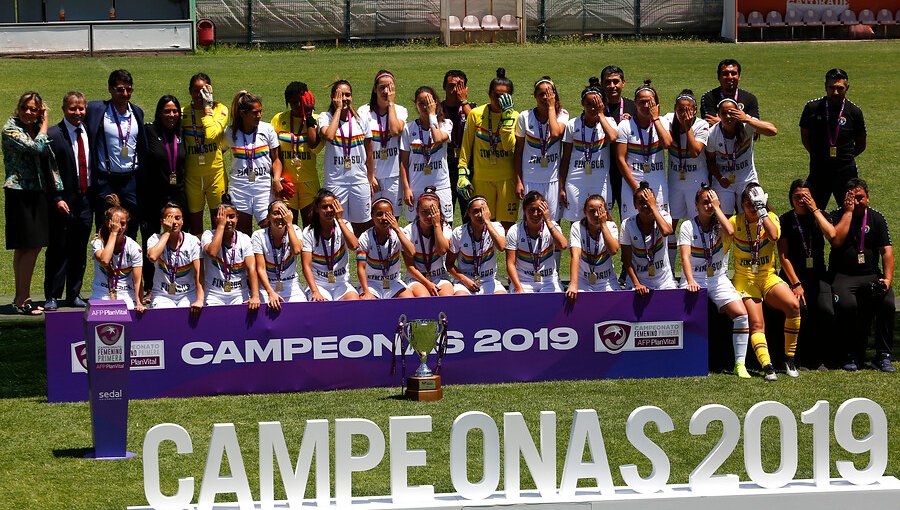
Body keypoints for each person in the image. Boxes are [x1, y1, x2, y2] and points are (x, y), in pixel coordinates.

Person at [730, 183, 801, 381]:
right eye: (748, 204)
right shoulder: (735, 221)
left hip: (767, 276)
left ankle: (789, 359)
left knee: (793, 306)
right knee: (757, 323)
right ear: (742, 204)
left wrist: (762, 211)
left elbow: (774, 235)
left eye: (756, 204)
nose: (752, 208)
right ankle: (767, 365)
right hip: (745, 279)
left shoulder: (770, 218)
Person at [679, 185, 751, 379]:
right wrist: (690, 280)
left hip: (718, 279)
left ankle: (739, 364)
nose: (709, 206)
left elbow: (730, 232)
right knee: (686, 319)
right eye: (705, 202)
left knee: (742, 315)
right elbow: (685, 257)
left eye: (712, 202)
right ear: (696, 205)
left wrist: (718, 209)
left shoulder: (720, 223)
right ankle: (688, 361)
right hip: (695, 279)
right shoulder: (687, 226)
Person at [3, 91, 64, 315]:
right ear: (18, 108)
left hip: (36, 192)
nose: (29, 112)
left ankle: (21, 297)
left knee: (26, 247)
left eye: (34, 109)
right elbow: (37, 148)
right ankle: (23, 299)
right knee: (30, 246)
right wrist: (46, 122)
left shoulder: (32, 129)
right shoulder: (10, 129)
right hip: (21, 192)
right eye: (25, 108)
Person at [827, 179, 894, 372]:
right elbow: (836, 241)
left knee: (888, 302)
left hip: (871, 275)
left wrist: (887, 280)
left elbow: (887, 252)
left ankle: (883, 355)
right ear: (845, 199)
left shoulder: (877, 218)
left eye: (860, 197)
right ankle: (851, 353)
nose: (856, 201)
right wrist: (847, 213)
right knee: (847, 305)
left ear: (868, 198)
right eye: (851, 198)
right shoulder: (836, 216)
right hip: (843, 276)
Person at [777, 179, 836, 370]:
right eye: (797, 196)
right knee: (801, 310)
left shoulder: (821, 216)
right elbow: (783, 256)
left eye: (806, 196)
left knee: (825, 310)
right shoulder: (785, 220)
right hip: (793, 276)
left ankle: (820, 358)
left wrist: (815, 210)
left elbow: (832, 236)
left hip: (818, 275)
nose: (801, 200)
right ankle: (799, 357)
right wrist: (795, 283)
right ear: (791, 198)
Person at [84, 69, 147, 238]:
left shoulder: (137, 112)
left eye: (128, 89)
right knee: (105, 226)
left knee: (131, 227)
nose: (125, 93)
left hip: (131, 180)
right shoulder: (97, 110)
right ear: (110, 89)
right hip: (106, 180)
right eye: (120, 89)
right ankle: (104, 263)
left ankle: (126, 264)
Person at [44, 91, 91, 310]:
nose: (77, 112)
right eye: (73, 108)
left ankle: (74, 294)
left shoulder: (89, 130)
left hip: (85, 201)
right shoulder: (54, 134)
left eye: (81, 108)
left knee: (79, 249)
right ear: (64, 109)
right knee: (58, 249)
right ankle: (52, 295)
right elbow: (47, 171)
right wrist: (56, 198)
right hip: (63, 201)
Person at [456, 68, 519, 230]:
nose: (498, 99)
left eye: (504, 96)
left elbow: (509, 146)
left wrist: (506, 119)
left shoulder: (516, 117)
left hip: (507, 181)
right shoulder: (476, 114)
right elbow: (466, 147)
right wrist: (462, 173)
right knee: (482, 226)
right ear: (489, 93)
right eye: (495, 95)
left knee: (507, 229)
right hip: (482, 180)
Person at [800, 68, 867, 210]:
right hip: (819, 169)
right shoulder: (812, 108)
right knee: (813, 210)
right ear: (825, 87)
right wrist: (818, 154)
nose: (835, 92)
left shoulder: (854, 111)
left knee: (849, 210)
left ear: (847, 88)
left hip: (845, 172)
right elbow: (805, 137)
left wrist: (844, 157)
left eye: (840, 88)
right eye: (831, 88)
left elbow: (861, 144)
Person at [141, 95, 187, 294]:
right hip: (153, 195)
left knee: (179, 237)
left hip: (178, 194)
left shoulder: (182, 133)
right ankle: (150, 285)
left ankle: (181, 281)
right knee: (151, 237)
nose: (171, 115)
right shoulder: (149, 131)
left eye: (175, 111)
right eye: (167, 111)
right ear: (159, 113)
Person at [319, 79, 374, 237]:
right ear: (333, 97)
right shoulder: (325, 117)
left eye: (348, 95)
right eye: (340, 95)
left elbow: (369, 152)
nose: (345, 98)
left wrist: (370, 179)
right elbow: (329, 135)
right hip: (336, 181)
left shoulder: (361, 119)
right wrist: (338, 110)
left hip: (359, 180)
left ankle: (362, 261)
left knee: (362, 227)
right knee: (336, 226)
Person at [559, 78, 618, 222]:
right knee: (577, 223)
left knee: (602, 221)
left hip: (600, 182)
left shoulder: (608, 122)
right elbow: (565, 158)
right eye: (589, 104)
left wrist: (601, 115)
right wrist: (561, 187)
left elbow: (612, 137)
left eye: (597, 105)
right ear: (582, 104)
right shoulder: (573, 124)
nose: (593, 108)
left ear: (603, 105)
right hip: (575, 181)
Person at [222, 90, 281, 235]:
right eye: (255, 113)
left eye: (260, 111)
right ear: (243, 114)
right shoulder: (229, 133)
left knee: (270, 230)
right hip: (239, 188)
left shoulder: (267, 129)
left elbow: (277, 159)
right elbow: (217, 154)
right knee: (242, 234)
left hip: (263, 188)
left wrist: (277, 178)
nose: (259, 116)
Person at [705, 98, 777, 215]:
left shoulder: (747, 125)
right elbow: (710, 160)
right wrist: (719, 178)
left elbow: (773, 130)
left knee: (752, 214)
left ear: (738, 112)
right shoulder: (713, 134)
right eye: (724, 113)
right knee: (723, 216)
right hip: (724, 181)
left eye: (732, 112)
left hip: (747, 180)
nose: (728, 116)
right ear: (718, 115)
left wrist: (747, 119)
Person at [665, 90, 710, 266]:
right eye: (680, 109)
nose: (684, 113)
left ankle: (695, 269)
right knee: (670, 226)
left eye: (689, 109)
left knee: (697, 225)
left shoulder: (701, 125)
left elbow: (694, 151)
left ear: (696, 110)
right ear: (674, 109)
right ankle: (668, 267)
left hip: (696, 183)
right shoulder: (668, 120)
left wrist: (687, 126)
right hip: (675, 183)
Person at [615, 81, 673, 218]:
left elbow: (667, 144)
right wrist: (635, 188)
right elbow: (620, 159)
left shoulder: (662, 122)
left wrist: (656, 119)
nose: (646, 106)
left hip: (657, 184)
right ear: (635, 103)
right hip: (633, 184)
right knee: (631, 223)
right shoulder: (625, 126)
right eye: (642, 102)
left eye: (650, 102)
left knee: (660, 222)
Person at [514, 76, 569, 220]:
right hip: (530, 179)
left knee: (552, 222)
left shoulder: (562, 115)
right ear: (534, 96)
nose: (545, 97)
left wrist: (551, 107)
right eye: (541, 94)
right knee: (529, 221)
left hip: (552, 180)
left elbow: (556, 132)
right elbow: (518, 152)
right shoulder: (524, 117)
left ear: (555, 95)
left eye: (549, 93)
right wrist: (519, 181)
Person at [182, 72, 228, 234]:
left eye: (204, 90)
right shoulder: (183, 114)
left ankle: (216, 259)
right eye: (196, 90)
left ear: (210, 90)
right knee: (195, 227)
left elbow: (211, 135)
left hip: (216, 176)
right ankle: (198, 260)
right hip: (192, 178)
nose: (200, 95)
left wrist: (208, 109)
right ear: (190, 91)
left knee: (219, 224)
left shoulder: (221, 109)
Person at [400, 86, 453, 222]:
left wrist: (432, 115)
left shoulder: (446, 124)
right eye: (421, 103)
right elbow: (404, 162)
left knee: (444, 226)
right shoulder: (408, 128)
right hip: (416, 187)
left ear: (435, 103)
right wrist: (406, 188)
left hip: (441, 186)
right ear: (416, 105)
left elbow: (437, 138)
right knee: (416, 229)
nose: (425, 107)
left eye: (429, 103)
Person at [357, 70, 407, 216]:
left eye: (390, 87)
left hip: (393, 176)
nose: (386, 91)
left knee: (392, 217)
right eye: (382, 87)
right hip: (372, 175)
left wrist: (391, 104)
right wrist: (370, 176)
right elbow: (364, 147)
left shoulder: (400, 110)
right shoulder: (364, 111)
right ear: (374, 89)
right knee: (372, 217)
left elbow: (396, 130)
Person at [270, 81, 320, 226]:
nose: (297, 106)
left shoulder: (316, 120)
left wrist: (308, 115)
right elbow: (274, 155)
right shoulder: (279, 119)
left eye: (300, 101)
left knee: (311, 227)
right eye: (293, 103)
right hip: (286, 182)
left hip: (309, 181)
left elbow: (313, 144)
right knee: (287, 227)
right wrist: (277, 179)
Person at [301, 189, 359, 301]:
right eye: (324, 207)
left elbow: (354, 246)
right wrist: (315, 291)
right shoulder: (309, 232)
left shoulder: (344, 224)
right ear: (317, 209)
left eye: (332, 206)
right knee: (320, 305)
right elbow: (306, 266)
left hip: (342, 283)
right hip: (319, 285)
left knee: (353, 302)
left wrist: (340, 220)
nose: (329, 210)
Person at [89, 194, 144, 311]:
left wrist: (139, 302)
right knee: (99, 312)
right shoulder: (97, 242)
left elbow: (138, 279)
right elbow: (105, 260)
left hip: (126, 293)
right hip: (102, 291)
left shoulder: (134, 247)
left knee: (126, 311)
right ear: (108, 223)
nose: (119, 227)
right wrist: (113, 233)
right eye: (116, 223)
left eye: (123, 224)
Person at [202, 199, 260, 309]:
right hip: (214, 294)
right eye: (223, 217)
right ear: (216, 219)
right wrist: (221, 226)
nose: (228, 220)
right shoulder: (208, 235)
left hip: (238, 294)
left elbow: (251, 268)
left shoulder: (244, 239)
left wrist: (255, 296)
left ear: (237, 217)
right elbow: (212, 252)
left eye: (231, 216)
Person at [620, 183, 677, 293]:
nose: (646, 206)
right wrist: (637, 284)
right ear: (635, 205)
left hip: (664, 281)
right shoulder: (627, 224)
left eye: (649, 202)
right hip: (637, 280)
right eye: (641, 203)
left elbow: (666, 231)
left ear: (655, 202)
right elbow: (626, 260)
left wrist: (653, 207)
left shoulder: (664, 216)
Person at [145, 202, 203, 311]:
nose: (174, 222)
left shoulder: (192, 241)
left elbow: (199, 272)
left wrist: (200, 299)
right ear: (162, 221)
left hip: (187, 294)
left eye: (177, 218)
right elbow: (152, 257)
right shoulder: (154, 239)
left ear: (182, 221)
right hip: (162, 295)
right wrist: (167, 233)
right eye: (169, 219)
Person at [506, 191, 566, 293]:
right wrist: (518, 288)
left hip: (548, 280)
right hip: (523, 281)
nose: (535, 214)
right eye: (531, 210)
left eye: (539, 210)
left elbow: (563, 246)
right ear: (524, 210)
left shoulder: (552, 227)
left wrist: (548, 220)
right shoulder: (515, 230)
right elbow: (510, 264)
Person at [356, 198, 415, 299]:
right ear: (372, 216)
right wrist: (366, 291)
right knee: (365, 301)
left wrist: (397, 229)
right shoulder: (365, 237)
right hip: (371, 283)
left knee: (409, 299)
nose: (384, 218)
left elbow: (411, 252)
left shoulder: (399, 233)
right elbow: (361, 267)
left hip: (393, 282)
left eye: (387, 214)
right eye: (379, 214)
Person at [448, 196, 507, 295]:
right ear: (468, 213)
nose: (480, 215)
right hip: (465, 280)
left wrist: (487, 222)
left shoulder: (496, 227)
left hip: (489, 280)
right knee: (460, 299)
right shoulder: (459, 232)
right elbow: (449, 264)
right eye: (476, 211)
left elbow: (501, 247)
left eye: (483, 211)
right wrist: (464, 280)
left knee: (501, 299)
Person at [252, 200, 305, 309]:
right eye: (275, 213)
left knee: (301, 311)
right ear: (268, 217)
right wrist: (270, 292)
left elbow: (296, 250)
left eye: (283, 213)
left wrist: (289, 223)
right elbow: (260, 268)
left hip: (291, 285)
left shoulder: (295, 229)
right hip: (267, 286)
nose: (280, 217)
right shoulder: (258, 236)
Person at [565, 194, 620, 299]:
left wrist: (603, 225)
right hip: (583, 281)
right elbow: (575, 256)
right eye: (591, 211)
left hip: (607, 281)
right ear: (584, 212)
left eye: (599, 210)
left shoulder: (611, 226)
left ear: (605, 212)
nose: (596, 214)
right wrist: (573, 284)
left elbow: (613, 251)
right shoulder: (577, 227)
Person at [599, 65, 638, 212]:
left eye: (616, 81)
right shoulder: (596, 108)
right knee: (603, 215)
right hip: (603, 171)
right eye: (608, 82)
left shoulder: (633, 107)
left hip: (627, 170)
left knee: (629, 216)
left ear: (623, 82)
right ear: (602, 84)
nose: (612, 86)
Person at [402, 189, 453, 297]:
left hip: (440, 276)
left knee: (447, 297)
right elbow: (410, 266)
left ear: (438, 211)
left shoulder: (445, 227)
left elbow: (442, 251)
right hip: (417, 278)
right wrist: (427, 284)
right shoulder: (409, 231)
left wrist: (437, 225)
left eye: (432, 212)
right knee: (423, 298)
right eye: (424, 212)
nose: (429, 216)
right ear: (417, 211)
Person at [441, 69, 475, 216]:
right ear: (444, 87)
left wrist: (464, 102)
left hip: (467, 168)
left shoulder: (472, 108)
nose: (455, 90)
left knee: (469, 214)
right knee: (445, 214)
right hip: (444, 168)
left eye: (460, 86)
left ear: (466, 89)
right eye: (451, 86)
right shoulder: (438, 110)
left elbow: (477, 127)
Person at [699, 59, 760, 125]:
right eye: (725, 74)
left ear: (739, 76)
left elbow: (754, 126)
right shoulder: (709, 97)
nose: (730, 77)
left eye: (733, 73)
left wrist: (721, 121)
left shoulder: (750, 99)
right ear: (719, 77)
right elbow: (710, 123)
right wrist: (742, 121)